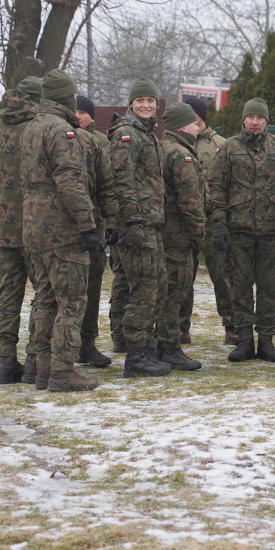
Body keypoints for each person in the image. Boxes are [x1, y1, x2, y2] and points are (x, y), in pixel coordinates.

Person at [20, 69, 102, 392]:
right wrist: (87, 225)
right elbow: (70, 183)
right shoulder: (62, 131)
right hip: (62, 229)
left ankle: (43, 370)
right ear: (66, 97)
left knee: (46, 300)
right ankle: (63, 372)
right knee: (72, 302)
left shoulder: (32, 127)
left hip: (34, 227)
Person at [208, 97, 275, 362]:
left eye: (260, 118)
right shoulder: (229, 148)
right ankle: (244, 341)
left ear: (266, 121)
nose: (255, 122)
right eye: (250, 117)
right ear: (243, 120)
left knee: (269, 288)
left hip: (272, 232)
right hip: (238, 231)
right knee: (239, 287)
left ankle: (267, 341)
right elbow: (216, 187)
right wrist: (219, 224)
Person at [108, 77, 171, 377]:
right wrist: (131, 220)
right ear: (131, 103)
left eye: (150, 101)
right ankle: (135, 357)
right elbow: (122, 181)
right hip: (137, 225)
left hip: (151, 223)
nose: (146, 105)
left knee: (157, 286)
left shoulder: (148, 133)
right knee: (144, 290)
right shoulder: (127, 134)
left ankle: (145, 348)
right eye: (140, 100)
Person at [0, 76, 42, 383]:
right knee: (44, 294)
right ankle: (34, 361)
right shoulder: (39, 128)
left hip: (2, 226)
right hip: (36, 225)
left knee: (8, 294)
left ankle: (5, 362)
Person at [154, 102, 207, 370]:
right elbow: (190, 199)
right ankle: (170, 348)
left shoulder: (161, 148)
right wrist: (199, 231)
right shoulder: (181, 154)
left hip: (163, 233)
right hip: (178, 236)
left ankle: (162, 344)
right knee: (176, 292)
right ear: (183, 126)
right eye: (194, 124)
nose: (198, 128)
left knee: (165, 290)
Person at [181, 97, 237, 346]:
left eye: (193, 113)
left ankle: (232, 327)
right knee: (183, 276)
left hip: (214, 220)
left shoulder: (221, 145)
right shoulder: (177, 142)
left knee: (222, 275)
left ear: (201, 116)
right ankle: (180, 328)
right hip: (185, 221)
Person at [74, 94, 116, 367]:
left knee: (91, 288)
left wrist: (110, 221)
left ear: (92, 117)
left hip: (94, 226)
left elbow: (108, 185)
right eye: (74, 111)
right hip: (63, 228)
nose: (78, 116)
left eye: (83, 112)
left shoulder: (101, 143)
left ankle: (87, 344)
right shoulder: (59, 137)